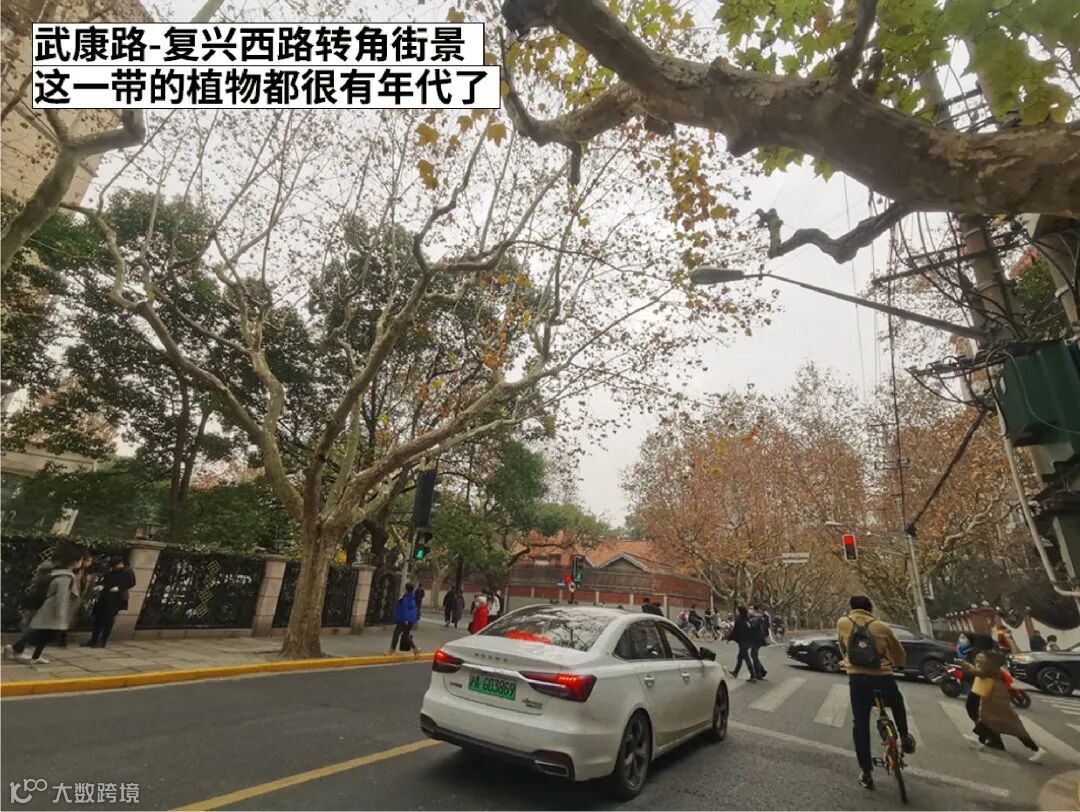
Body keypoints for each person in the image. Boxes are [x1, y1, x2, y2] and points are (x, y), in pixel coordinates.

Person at [837, 595, 916, 790]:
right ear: (870, 609)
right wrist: (899, 664)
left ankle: (866, 772)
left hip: (858, 679)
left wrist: (847, 662)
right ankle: (905, 737)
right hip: (883, 676)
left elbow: (843, 647)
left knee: (860, 723)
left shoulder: (843, 623)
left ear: (851, 607)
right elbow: (898, 652)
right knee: (897, 703)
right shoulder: (882, 627)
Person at [959, 649, 1042, 761]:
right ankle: (980, 739)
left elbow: (981, 673)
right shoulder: (992, 665)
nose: (978, 660)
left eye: (980, 658)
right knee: (986, 717)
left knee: (1012, 726)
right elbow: (979, 671)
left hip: (996, 696)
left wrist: (964, 664)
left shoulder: (989, 666)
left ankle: (1036, 749)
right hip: (992, 694)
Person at [4, 549, 82, 664]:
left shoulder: (57, 572)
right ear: (74, 562)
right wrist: (60, 613)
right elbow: (61, 596)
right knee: (38, 631)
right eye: (80, 561)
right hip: (52, 608)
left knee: (43, 632)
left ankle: (34, 655)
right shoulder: (66, 577)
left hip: (49, 606)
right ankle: (15, 648)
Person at [83, 556, 135, 649]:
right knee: (97, 619)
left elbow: (131, 583)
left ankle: (102, 641)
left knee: (108, 620)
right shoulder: (111, 570)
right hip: (104, 596)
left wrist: (119, 588)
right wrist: (102, 586)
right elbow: (107, 580)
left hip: (116, 599)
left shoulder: (127, 571)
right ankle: (93, 639)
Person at [388, 583, 420, 656]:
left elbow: (405, 609)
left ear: (406, 589)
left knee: (396, 633)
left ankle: (392, 650)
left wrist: (405, 619)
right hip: (410, 620)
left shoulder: (406, 598)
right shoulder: (412, 597)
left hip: (403, 619)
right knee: (405, 635)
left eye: (404, 587)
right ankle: (416, 649)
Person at [726, 606, 757, 682]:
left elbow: (735, 631)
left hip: (743, 642)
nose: (736, 612)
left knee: (746, 658)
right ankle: (735, 672)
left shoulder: (739, 621)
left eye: (737, 611)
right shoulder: (747, 620)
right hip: (748, 641)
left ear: (740, 612)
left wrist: (729, 639)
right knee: (740, 657)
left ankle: (753, 675)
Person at [748, 605, 768, 678]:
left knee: (754, 655)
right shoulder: (757, 617)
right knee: (754, 656)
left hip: (756, 639)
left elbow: (752, 627)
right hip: (757, 639)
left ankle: (759, 673)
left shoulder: (756, 618)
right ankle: (761, 671)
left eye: (751, 609)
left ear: (755, 610)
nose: (749, 610)